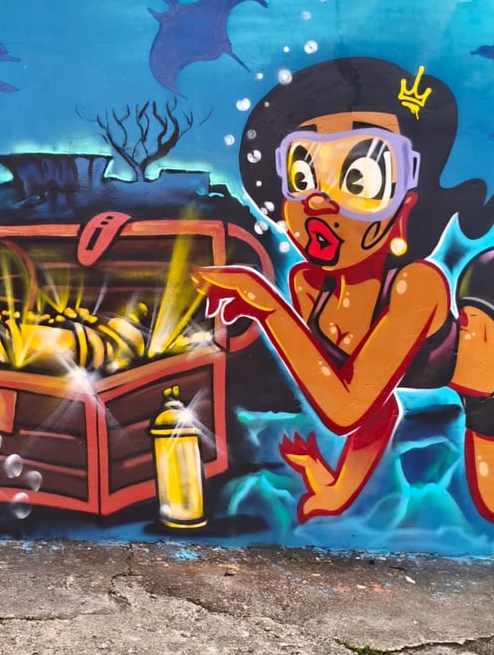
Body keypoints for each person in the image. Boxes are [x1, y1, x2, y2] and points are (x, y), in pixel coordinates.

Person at [195, 58, 494, 522]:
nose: (319, 200)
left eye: (360, 178)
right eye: (302, 175)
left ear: (404, 207)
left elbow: (348, 408)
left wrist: (268, 307)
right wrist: (336, 491)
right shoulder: (308, 288)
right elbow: (375, 409)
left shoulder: (419, 285)